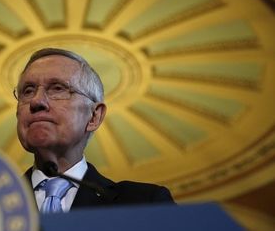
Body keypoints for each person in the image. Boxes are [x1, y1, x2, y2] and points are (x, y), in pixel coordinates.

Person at [15, 48, 174, 213]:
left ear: (94, 116)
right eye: (28, 91)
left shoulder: (145, 205)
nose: (36, 101)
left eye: (57, 88)